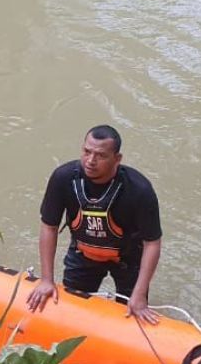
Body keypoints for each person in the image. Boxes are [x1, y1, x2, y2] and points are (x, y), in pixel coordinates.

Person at [26, 125, 162, 323]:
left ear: (117, 159)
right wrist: (46, 280)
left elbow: (153, 243)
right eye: (86, 152)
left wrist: (139, 295)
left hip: (128, 259)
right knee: (69, 313)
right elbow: (49, 227)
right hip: (83, 255)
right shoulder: (63, 179)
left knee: (132, 314)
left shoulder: (139, 189)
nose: (90, 161)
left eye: (100, 155)